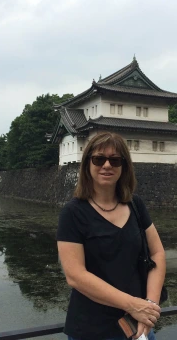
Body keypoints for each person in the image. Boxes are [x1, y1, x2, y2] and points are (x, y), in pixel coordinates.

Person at [56, 132, 166, 340]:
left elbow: (157, 253)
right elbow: (75, 276)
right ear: (88, 164)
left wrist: (149, 306)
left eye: (115, 160)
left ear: (124, 166)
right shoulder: (73, 213)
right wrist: (133, 305)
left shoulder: (135, 205)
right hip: (92, 329)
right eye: (99, 159)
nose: (107, 165)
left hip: (138, 326)